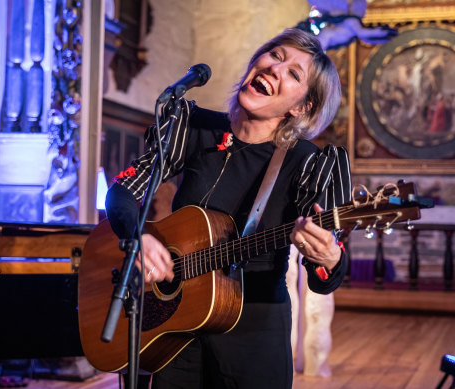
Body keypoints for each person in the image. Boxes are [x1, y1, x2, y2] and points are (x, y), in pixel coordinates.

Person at [105, 28, 351, 389]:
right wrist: (137, 234)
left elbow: (326, 273)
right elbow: (123, 191)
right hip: (172, 324)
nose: (276, 69)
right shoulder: (192, 127)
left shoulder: (309, 163)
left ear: (302, 107)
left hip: (253, 330)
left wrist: (329, 256)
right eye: (275, 56)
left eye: (294, 74)